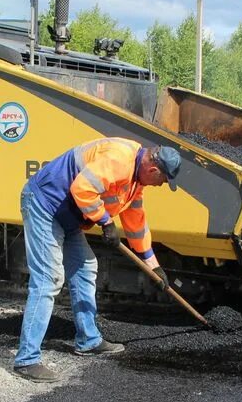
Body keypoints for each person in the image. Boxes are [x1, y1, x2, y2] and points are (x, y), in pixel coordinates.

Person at [15, 138, 182, 383]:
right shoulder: (120, 159)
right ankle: (27, 360)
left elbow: (136, 226)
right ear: (153, 170)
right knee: (49, 279)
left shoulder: (136, 181)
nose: (160, 185)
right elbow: (82, 188)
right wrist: (105, 221)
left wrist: (153, 265)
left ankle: (88, 341)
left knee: (85, 267)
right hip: (45, 205)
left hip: (68, 216)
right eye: (163, 181)